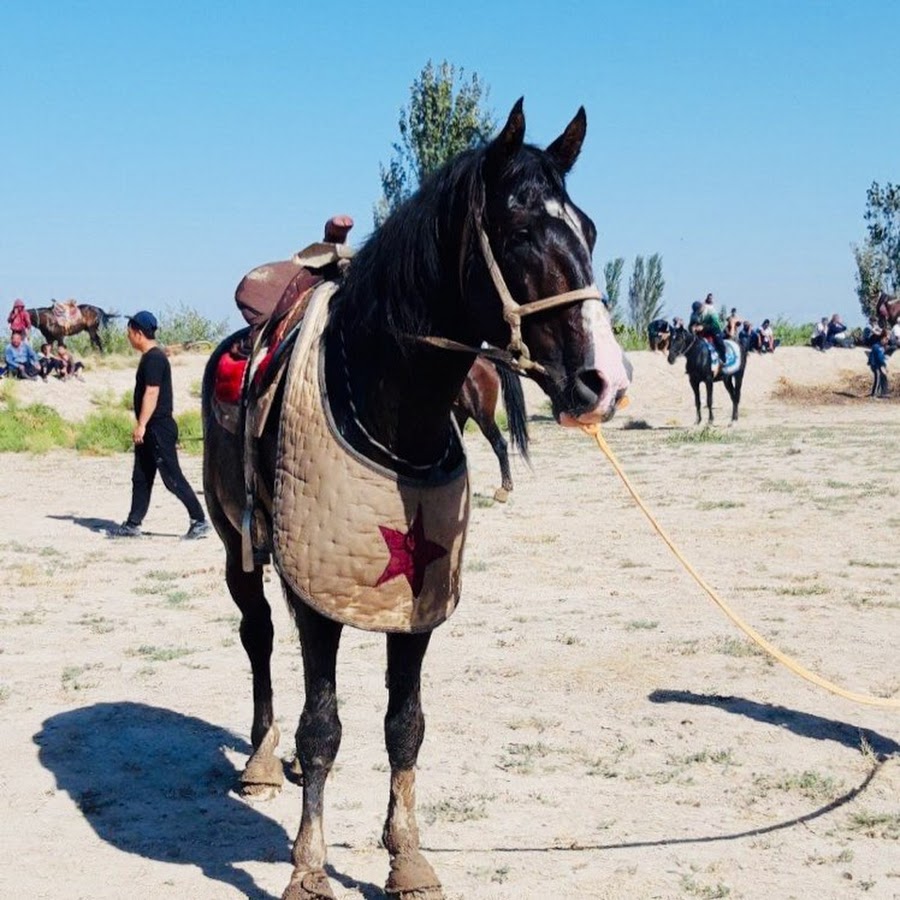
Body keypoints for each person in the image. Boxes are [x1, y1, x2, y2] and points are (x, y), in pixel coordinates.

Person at [110, 311, 211, 540]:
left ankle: (199, 520)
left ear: (137, 333)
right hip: (151, 428)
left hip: (158, 427)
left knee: (171, 477)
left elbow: (152, 392)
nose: (128, 337)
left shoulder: (154, 358)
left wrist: (142, 424)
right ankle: (133, 523)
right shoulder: (151, 357)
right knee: (142, 476)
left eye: (129, 333)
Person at [696, 294, 728, 365]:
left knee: (719, 342)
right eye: (709, 298)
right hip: (703, 329)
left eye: (711, 298)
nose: (710, 299)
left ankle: (723, 358)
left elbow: (716, 322)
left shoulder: (713, 309)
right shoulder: (703, 307)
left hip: (713, 329)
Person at [868, 330, 890, 398]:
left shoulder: (881, 347)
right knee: (877, 378)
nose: (887, 341)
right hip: (875, 365)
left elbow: (882, 357)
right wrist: (883, 365)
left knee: (881, 377)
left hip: (878, 365)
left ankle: (881, 392)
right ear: (882, 338)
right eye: (886, 339)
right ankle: (874, 394)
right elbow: (879, 358)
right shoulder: (877, 347)